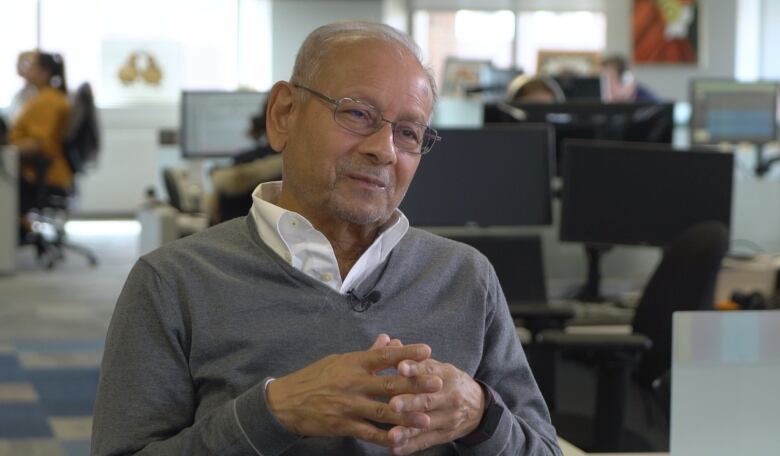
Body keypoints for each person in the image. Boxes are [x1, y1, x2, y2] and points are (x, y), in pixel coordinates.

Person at [92, 21, 562, 456]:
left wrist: (482, 416)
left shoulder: (464, 276)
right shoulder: (173, 282)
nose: (384, 150)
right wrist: (275, 412)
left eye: (408, 133)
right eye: (357, 113)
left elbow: (543, 449)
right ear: (283, 115)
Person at [7, 52, 71, 218]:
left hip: (41, 172)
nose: (25, 69)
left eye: (30, 65)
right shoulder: (42, 97)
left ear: (44, 71)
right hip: (33, 167)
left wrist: (7, 149)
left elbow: (38, 143)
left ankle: (17, 230)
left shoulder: (48, 101)